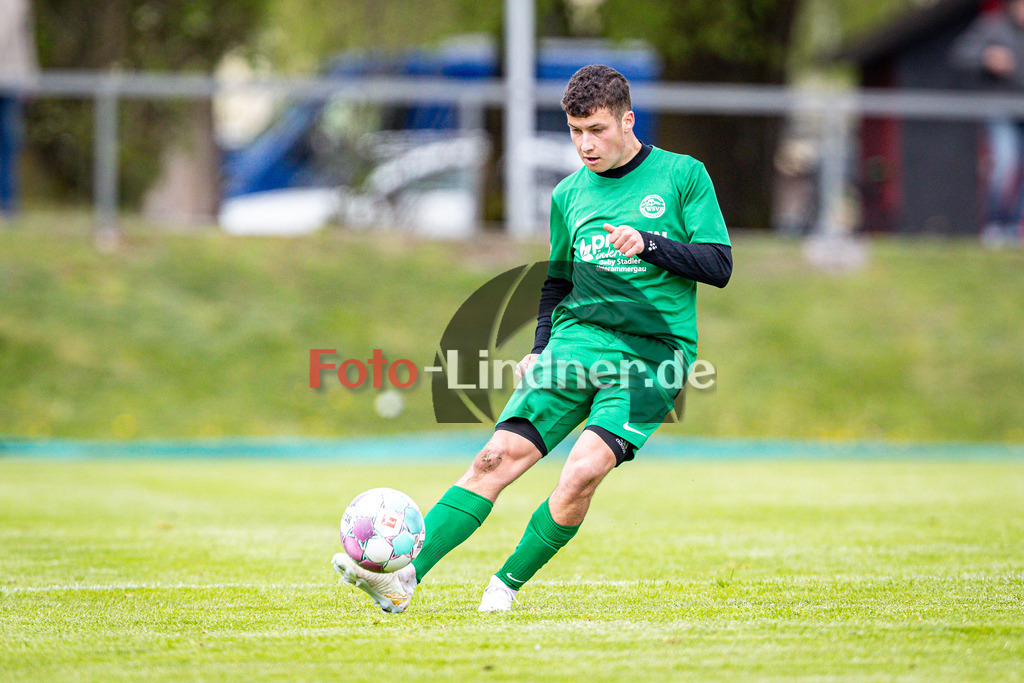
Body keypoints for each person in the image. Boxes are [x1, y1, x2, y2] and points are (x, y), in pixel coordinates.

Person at [333, 64, 733, 613]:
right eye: (575, 131)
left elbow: (719, 265)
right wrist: (541, 348)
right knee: (494, 459)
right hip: (577, 342)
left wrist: (649, 244)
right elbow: (556, 282)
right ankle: (402, 582)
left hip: (653, 353)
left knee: (583, 471)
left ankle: (505, 585)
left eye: (596, 130)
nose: (585, 145)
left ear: (627, 119)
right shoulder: (569, 195)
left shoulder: (683, 175)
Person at [950, 0, 1024, 246]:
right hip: (1001, 110)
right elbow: (960, 54)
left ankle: (1015, 228)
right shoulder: (992, 27)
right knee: (1005, 164)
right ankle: (995, 226)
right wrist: (987, 57)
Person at [0, 0, 37, 217]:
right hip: (13, 78)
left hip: (10, 80)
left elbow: (14, 35)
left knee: (7, 144)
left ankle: (7, 207)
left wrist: (31, 78)